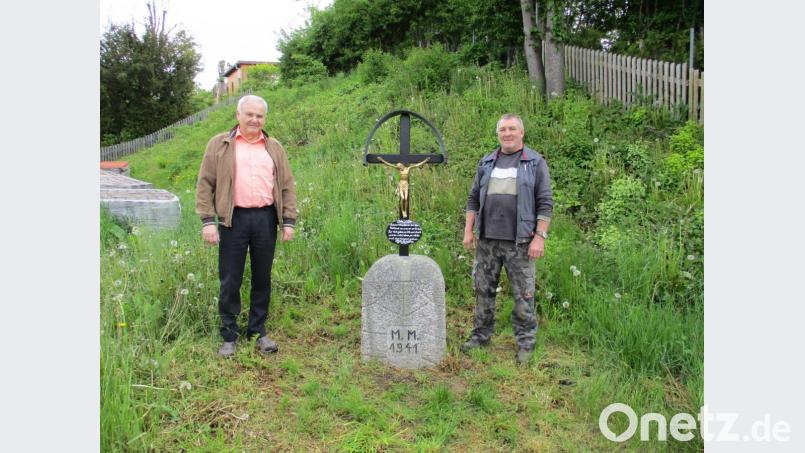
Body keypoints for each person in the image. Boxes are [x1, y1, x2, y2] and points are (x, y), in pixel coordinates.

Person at [195, 94, 297, 357]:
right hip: (233, 219)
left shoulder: (273, 147)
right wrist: (208, 221)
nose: (254, 120)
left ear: (264, 118)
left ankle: (258, 331)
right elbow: (205, 183)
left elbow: (286, 185)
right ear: (238, 116)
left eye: (259, 115)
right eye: (249, 114)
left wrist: (288, 221)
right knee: (230, 279)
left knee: (262, 277)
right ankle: (229, 335)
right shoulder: (220, 145)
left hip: (265, 219)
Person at [461, 113, 553, 364]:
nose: (508, 133)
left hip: (520, 242)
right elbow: (472, 199)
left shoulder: (534, 162)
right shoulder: (487, 162)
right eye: (503, 129)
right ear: (498, 134)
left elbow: (545, 203)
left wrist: (539, 237)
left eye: (512, 129)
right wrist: (469, 230)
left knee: (523, 295)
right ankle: (480, 337)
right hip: (488, 241)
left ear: (521, 133)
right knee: (483, 291)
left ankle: (526, 344)